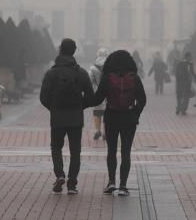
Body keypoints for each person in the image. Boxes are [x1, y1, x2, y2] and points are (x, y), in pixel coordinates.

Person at [40, 38, 94, 195]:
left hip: (57, 117)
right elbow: (90, 97)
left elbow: (43, 97)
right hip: (76, 118)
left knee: (56, 147)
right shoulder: (81, 73)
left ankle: (60, 175)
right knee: (75, 150)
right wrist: (79, 106)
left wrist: (54, 108)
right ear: (74, 51)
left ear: (60, 50)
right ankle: (72, 184)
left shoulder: (51, 73)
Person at [91, 50, 146, 197]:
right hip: (129, 119)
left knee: (111, 151)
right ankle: (123, 185)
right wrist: (135, 113)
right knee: (126, 151)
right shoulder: (134, 78)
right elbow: (143, 100)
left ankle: (111, 182)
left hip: (111, 117)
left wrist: (82, 101)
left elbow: (97, 99)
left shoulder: (108, 78)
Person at [87, 48, 109, 140]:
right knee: (107, 114)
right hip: (108, 93)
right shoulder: (110, 67)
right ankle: (105, 132)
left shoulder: (93, 68)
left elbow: (89, 82)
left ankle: (97, 131)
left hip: (97, 93)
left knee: (97, 113)